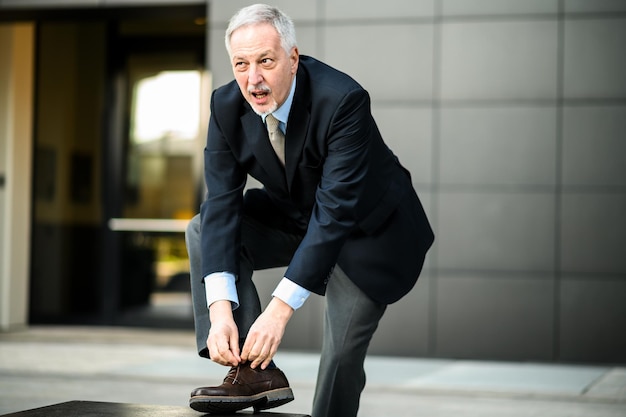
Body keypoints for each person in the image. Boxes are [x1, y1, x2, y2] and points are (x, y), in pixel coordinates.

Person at [185, 4, 434, 416]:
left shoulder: (342, 99)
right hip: (297, 217)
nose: (253, 79)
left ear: (293, 58)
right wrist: (220, 311)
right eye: (241, 64)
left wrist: (277, 313)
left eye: (265, 61)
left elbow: (335, 212)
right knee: (201, 226)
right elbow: (221, 205)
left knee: (339, 358)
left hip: (369, 232)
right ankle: (254, 374)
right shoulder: (225, 106)